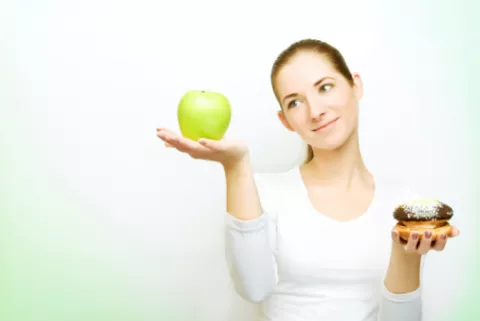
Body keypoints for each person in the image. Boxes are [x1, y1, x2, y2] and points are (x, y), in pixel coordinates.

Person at [156, 39, 460, 321]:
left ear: (355, 86)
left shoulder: (402, 207)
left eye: (325, 88)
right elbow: (253, 289)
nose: (315, 111)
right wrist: (236, 167)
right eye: (295, 102)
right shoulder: (260, 193)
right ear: (285, 120)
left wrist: (406, 256)